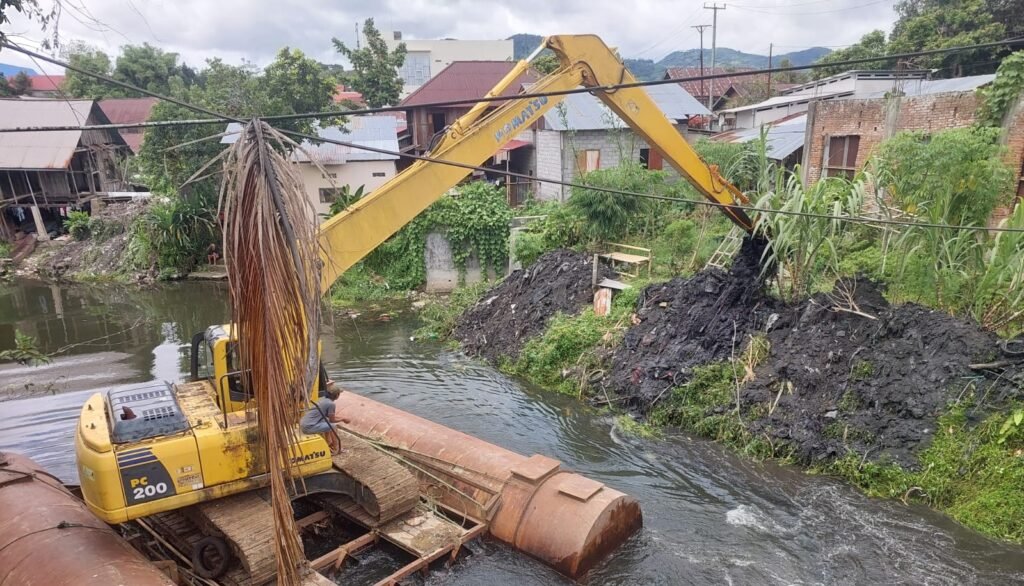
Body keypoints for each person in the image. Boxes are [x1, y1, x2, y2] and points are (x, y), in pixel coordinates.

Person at [300, 380, 348, 453]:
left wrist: (341, 418)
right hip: (308, 427)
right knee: (333, 426)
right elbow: (332, 420)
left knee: (326, 420)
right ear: (337, 395)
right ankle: (337, 448)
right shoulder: (331, 404)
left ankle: (328, 443)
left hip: (304, 423)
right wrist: (343, 419)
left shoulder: (323, 399)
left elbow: (329, 417)